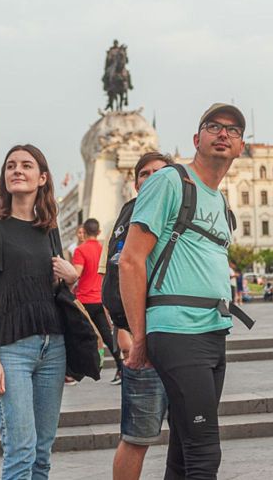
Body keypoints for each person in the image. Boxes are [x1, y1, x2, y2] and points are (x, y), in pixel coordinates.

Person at [120, 103, 247, 479]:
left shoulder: (220, 200)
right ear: (197, 139)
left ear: (241, 147)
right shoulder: (170, 181)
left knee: (183, 447)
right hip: (176, 329)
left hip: (212, 330)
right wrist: (139, 336)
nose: (223, 133)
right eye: (214, 126)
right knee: (205, 450)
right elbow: (131, 260)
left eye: (234, 130)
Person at [0, 144, 79, 480]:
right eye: (11, 166)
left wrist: (72, 278)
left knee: (42, 452)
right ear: (5, 178)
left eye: (26, 165)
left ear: (41, 177)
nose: (17, 170)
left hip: (53, 347)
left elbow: (55, 290)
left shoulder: (49, 228)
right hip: (12, 349)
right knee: (21, 451)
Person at [109, 151, 173, 480]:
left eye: (159, 173)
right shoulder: (131, 216)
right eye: (144, 174)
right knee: (136, 436)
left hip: (182, 340)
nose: (151, 179)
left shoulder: (180, 212)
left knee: (190, 434)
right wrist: (135, 333)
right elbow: (117, 276)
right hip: (145, 343)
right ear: (135, 184)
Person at [73, 218, 124, 383]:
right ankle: (121, 367)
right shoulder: (103, 249)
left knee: (76, 336)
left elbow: (76, 273)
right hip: (99, 299)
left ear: (84, 232)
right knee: (108, 338)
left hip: (83, 301)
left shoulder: (80, 250)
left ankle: (72, 373)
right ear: (99, 232)